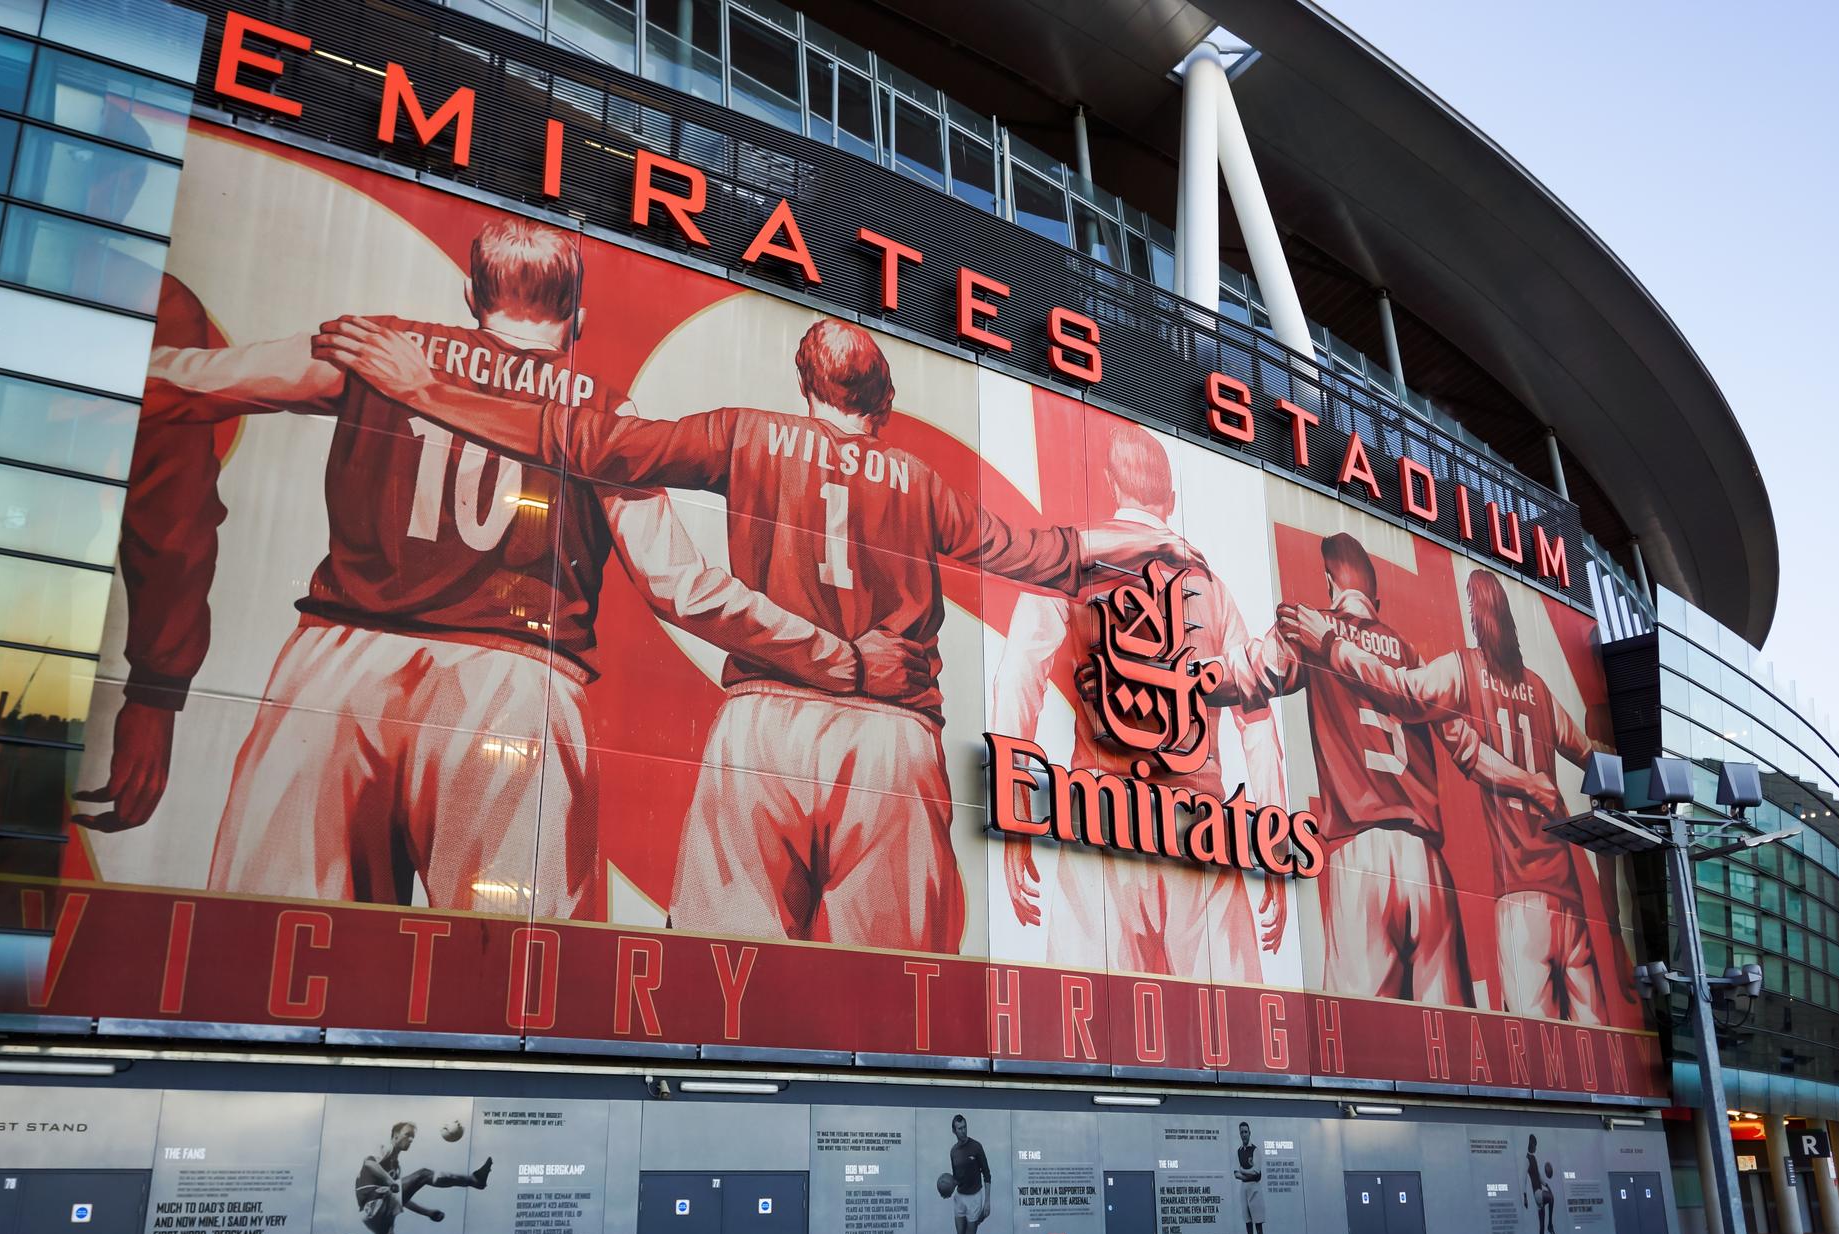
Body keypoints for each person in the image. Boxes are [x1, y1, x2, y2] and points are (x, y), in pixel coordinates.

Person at [310, 314, 1202, 952]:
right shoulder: (920, 482)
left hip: (761, 726)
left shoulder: (745, 434)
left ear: (807, 385)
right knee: (895, 993)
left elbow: (583, 443)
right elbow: (1051, 555)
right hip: (891, 738)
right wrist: (1149, 541)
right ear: (883, 399)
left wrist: (426, 390)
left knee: (720, 980)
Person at [116, 217, 924, 917]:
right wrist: (844, 660)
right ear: (578, 315)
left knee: (270, 953)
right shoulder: (606, 416)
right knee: (507, 983)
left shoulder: (379, 348)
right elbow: (685, 589)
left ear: (473, 297)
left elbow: (185, 385)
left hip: (337, 671)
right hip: (513, 689)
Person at [991, 424, 1282, 980]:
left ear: (1109, 484)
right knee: (1229, 1042)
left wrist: (1017, 812)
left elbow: (1017, 683)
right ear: (1171, 500)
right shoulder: (1213, 587)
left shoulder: (1071, 562)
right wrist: (1272, 835)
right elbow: (1258, 718)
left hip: (1102, 819)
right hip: (1203, 828)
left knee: (1088, 1043)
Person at [1230, 535, 1557, 1004]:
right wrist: (1530, 782)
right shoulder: (1411, 657)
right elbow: (1470, 752)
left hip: (1361, 854)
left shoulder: (1314, 630)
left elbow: (1249, 677)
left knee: (1361, 1032)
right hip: (1427, 862)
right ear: (1375, 599)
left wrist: (1179, 676)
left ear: (1330, 583)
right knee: (1450, 1040)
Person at [1280, 567, 1611, 1022]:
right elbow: (1592, 756)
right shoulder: (1539, 689)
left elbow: (1400, 692)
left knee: (1536, 1050)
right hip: (1568, 894)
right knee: (1594, 1040)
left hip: (1520, 894)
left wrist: (1331, 645)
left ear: (1475, 617)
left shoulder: (1462, 670)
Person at [327, 1121, 492, 1234]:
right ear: (395, 1135)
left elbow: (401, 1198)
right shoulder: (384, 1149)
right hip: (374, 1202)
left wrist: (427, 1212)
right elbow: (369, 1163)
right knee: (424, 1174)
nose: (411, 1139)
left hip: (378, 1215)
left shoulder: (396, 1167)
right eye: (407, 1135)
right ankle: (474, 1180)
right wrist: (391, 1183)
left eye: (413, 1137)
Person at [947, 1115, 992, 1234]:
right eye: (959, 1128)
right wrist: (948, 1189)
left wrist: (987, 1202)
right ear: (954, 1131)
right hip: (960, 1197)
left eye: (965, 1127)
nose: (963, 1131)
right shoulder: (953, 1151)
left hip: (975, 1197)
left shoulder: (976, 1146)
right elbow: (956, 1177)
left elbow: (987, 1175)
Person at [1234, 1121, 1266, 1234]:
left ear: (1250, 1133)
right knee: (1248, 1229)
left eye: (1246, 1132)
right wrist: (1246, 1174)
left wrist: (1244, 1172)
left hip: (1255, 1189)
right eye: (1241, 1132)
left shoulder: (1256, 1150)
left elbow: (1256, 1172)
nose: (1244, 1134)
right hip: (1244, 1189)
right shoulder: (1239, 1151)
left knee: (1259, 1228)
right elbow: (1236, 1174)